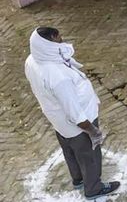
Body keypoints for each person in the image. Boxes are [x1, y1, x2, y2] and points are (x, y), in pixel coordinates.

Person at [24, 27, 120, 200]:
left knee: (69, 150)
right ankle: (93, 189)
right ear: (50, 41)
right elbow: (75, 113)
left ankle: (78, 180)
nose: (61, 39)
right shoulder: (58, 77)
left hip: (58, 121)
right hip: (78, 125)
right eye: (58, 37)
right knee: (89, 156)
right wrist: (93, 131)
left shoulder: (32, 60)